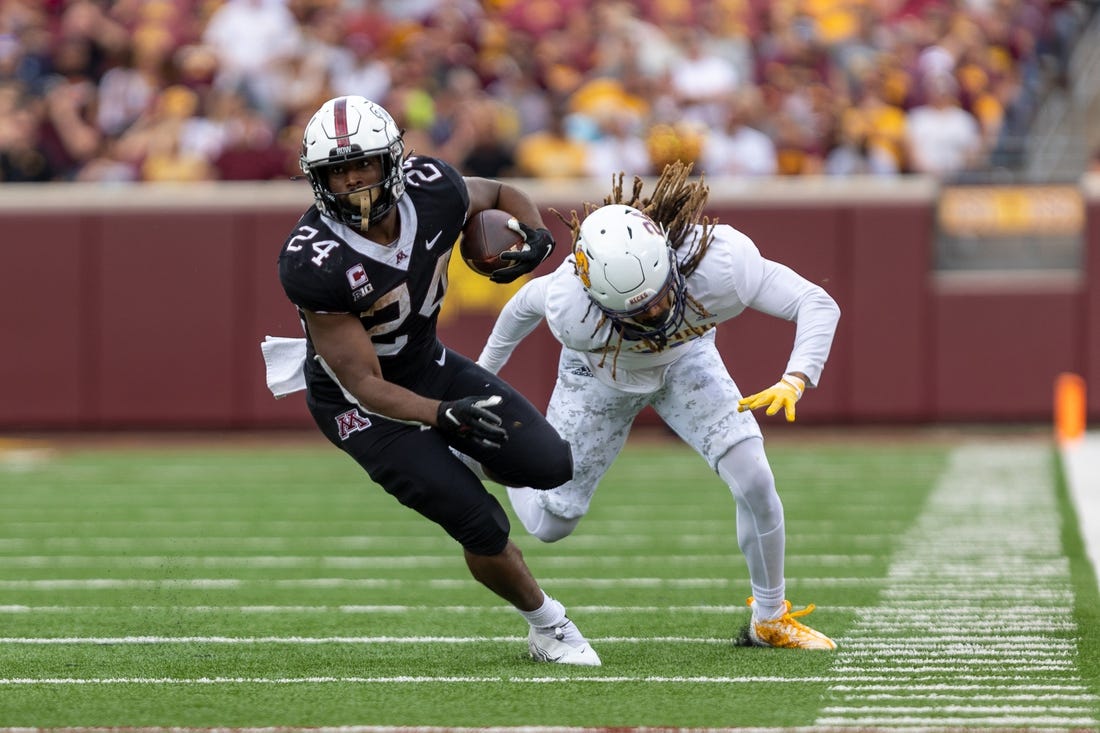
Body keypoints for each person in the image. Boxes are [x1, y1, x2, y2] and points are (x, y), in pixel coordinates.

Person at [262, 95, 600, 666]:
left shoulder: (433, 187)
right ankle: (548, 626)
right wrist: (443, 417)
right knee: (479, 521)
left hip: (424, 363)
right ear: (317, 181)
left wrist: (537, 233)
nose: (352, 183)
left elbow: (495, 193)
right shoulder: (311, 260)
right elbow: (365, 384)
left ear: (392, 162)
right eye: (337, 172)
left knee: (551, 465)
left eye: (362, 165)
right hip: (357, 404)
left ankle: (462, 455)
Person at [475, 162, 841, 650]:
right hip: (598, 380)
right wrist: (479, 379)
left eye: (656, 297)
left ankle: (770, 617)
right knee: (551, 524)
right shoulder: (571, 303)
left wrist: (796, 376)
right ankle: (494, 461)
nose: (654, 313)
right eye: (635, 310)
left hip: (687, 365)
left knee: (754, 476)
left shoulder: (721, 263)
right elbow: (521, 307)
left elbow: (816, 302)